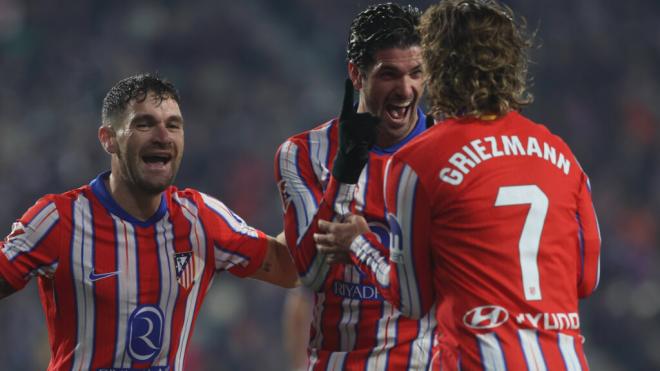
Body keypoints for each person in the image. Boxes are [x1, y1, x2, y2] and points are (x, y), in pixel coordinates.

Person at [314, 1, 602, 370]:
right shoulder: (563, 156)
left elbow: (411, 299)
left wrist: (357, 240)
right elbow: (586, 278)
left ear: (437, 65)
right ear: (513, 64)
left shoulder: (416, 162)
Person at [0, 73, 298, 371]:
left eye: (173, 125)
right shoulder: (58, 219)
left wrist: (329, 195)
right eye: (144, 124)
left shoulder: (201, 220)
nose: (163, 136)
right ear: (108, 139)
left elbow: (287, 268)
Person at [275, 3, 437, 369]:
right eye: (389, 74)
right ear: (357, 74)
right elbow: (313, 274)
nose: (406, 89)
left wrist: (358, 245)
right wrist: (345, 171)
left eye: (416, 73)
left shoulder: (450, 153)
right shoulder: (301, 154)